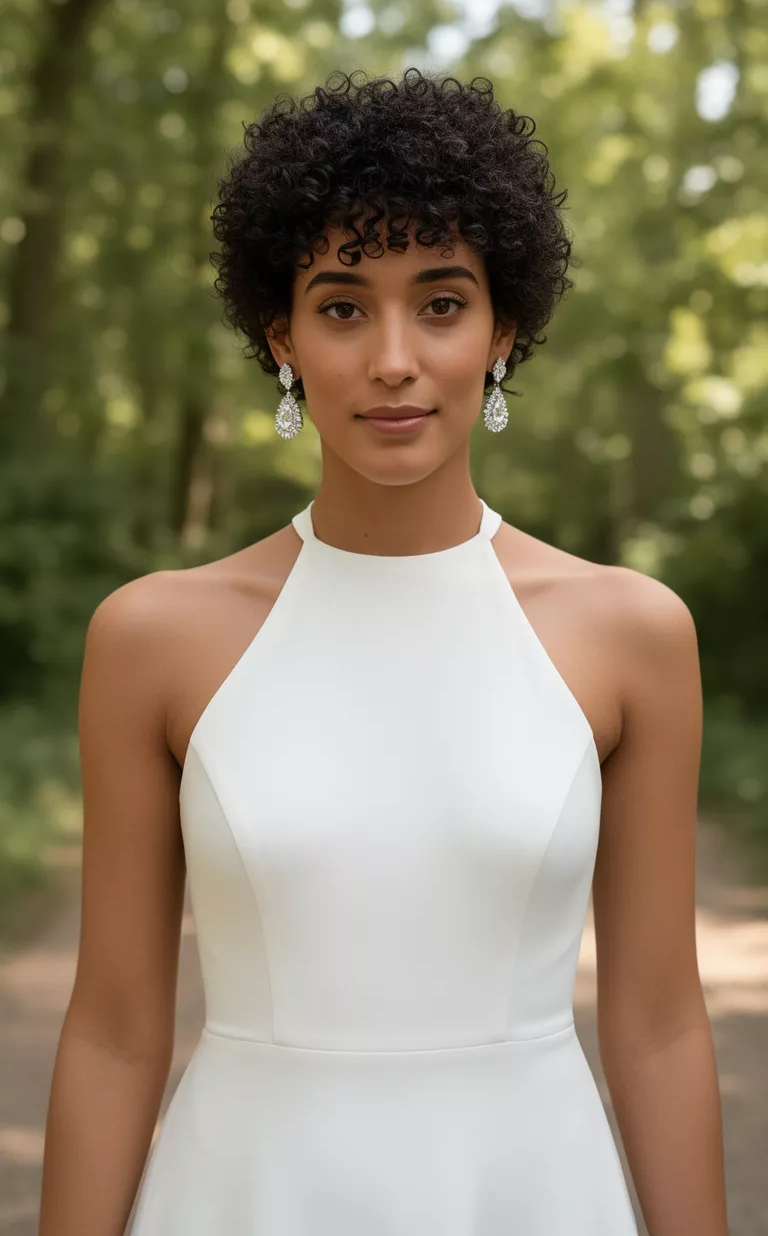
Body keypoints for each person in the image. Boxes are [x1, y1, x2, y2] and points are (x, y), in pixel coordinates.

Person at [39, 69, 728, 1235]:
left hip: (533, 1193)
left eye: (442, 304)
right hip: (242, 1195)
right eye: (345, 307)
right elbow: (112, 1030)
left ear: (503, 330)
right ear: (284, 338)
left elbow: (659, 1026)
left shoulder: (632, 635)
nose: (394, 358)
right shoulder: (154, 638)